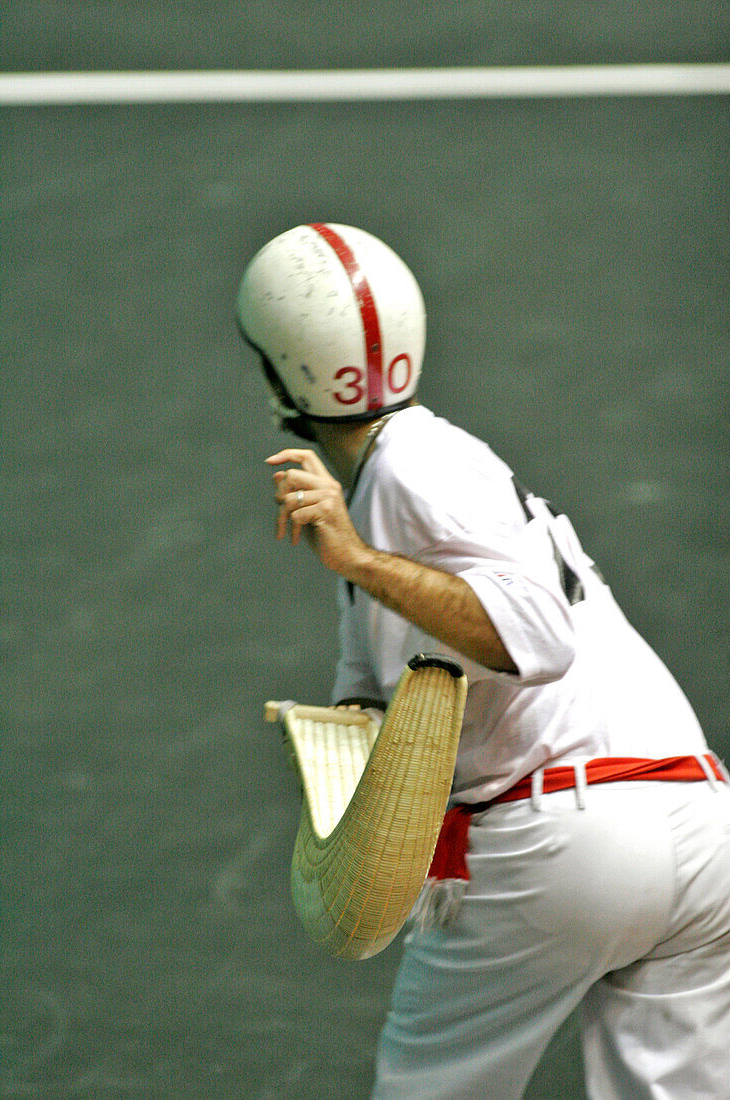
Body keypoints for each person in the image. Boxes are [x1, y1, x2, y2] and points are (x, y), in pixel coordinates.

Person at [236, 222, 730, 1099]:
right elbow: (410, 706)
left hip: (563, 840)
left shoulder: (410, 470)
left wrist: (352, 559)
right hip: (697, 828)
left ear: (278, 369)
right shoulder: (420, 473)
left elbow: (535, 636)